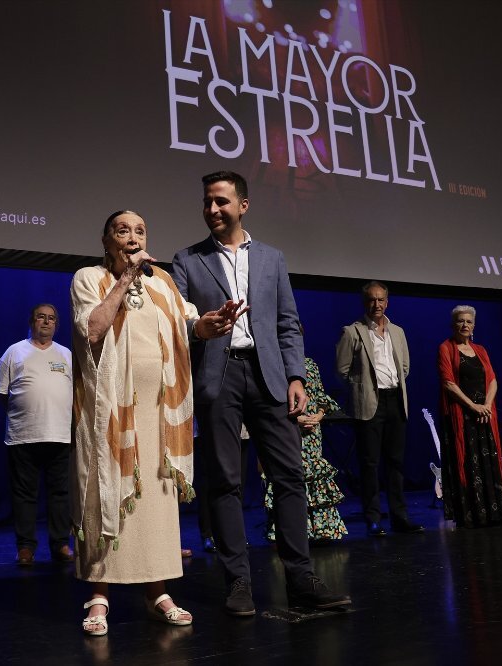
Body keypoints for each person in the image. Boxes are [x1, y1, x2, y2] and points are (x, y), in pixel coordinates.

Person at [172, 171, 351, 616]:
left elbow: (287, 323)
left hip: (269, 375)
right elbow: (174, 324)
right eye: (207, 202)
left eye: (221, 202)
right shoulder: (187, 260)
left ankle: (301, 580)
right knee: (226, 482)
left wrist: (296, 377)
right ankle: (238, 584)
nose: (212, 210)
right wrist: (200, 327)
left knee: (289, 476)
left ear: (243, 205)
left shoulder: (272, 258)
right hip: (219, 376)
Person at [71, 210, 245, 636]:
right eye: (123, 230)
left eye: (140, 230)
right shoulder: (89, 279)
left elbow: (189, 326)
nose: (133, 237)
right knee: (105, 496)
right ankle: (100, 594)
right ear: (106, 239)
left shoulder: (163, 282)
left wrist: (209, 326)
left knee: (156, 503)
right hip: (108, 415)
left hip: (160, 416)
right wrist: (125, 280)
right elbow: (92, 330)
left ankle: (158, 592)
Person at [336, 281, 423, 537]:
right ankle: (373, 519)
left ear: (387, 302)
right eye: (372, 300)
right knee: (370, 464)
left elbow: (404, 368)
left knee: (396, 463)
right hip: (369, 404)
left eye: (381, 300)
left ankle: (399, 516)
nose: (377, 305)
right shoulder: (353, 331)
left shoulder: (398, 331)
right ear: (365, 303)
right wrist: (361, 389)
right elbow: (342, 370)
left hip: (395, 400)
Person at [0, 303, 74, 565]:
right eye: (41, 317)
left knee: (60, 494)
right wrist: (25, 414)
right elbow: (1, 393)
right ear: (32, 321)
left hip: (60, 435)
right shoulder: (14, 352)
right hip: (23, 436)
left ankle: (60, 544)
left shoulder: (67, 355)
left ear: (57, 325)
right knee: (24, 495)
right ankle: (25, 548)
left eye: (52, 318)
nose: (47, 322)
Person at [437, 305, 502, 527]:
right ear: (453, 324)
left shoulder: (481, 350)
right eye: (460, 321)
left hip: (484, 416)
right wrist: (473, 407)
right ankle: (472, 515)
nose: (465, 325)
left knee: (487, 462)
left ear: (474, 325)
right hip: (462, 417)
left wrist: (486, 405)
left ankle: (492, 512)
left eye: (469, 321)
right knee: (468, 463)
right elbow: (448, 383)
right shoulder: (446, 348)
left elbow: (493, 380)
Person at [263, 356, 348, 543]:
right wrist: (294, 419)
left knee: (314, 475)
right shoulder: (273, 364)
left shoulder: (309, 364)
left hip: (312, 432)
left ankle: (321, 531)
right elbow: (270, 401)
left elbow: (320, 397)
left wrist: (318, 416)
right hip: (288, 427)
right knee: (291, 476)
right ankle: (294, 532)